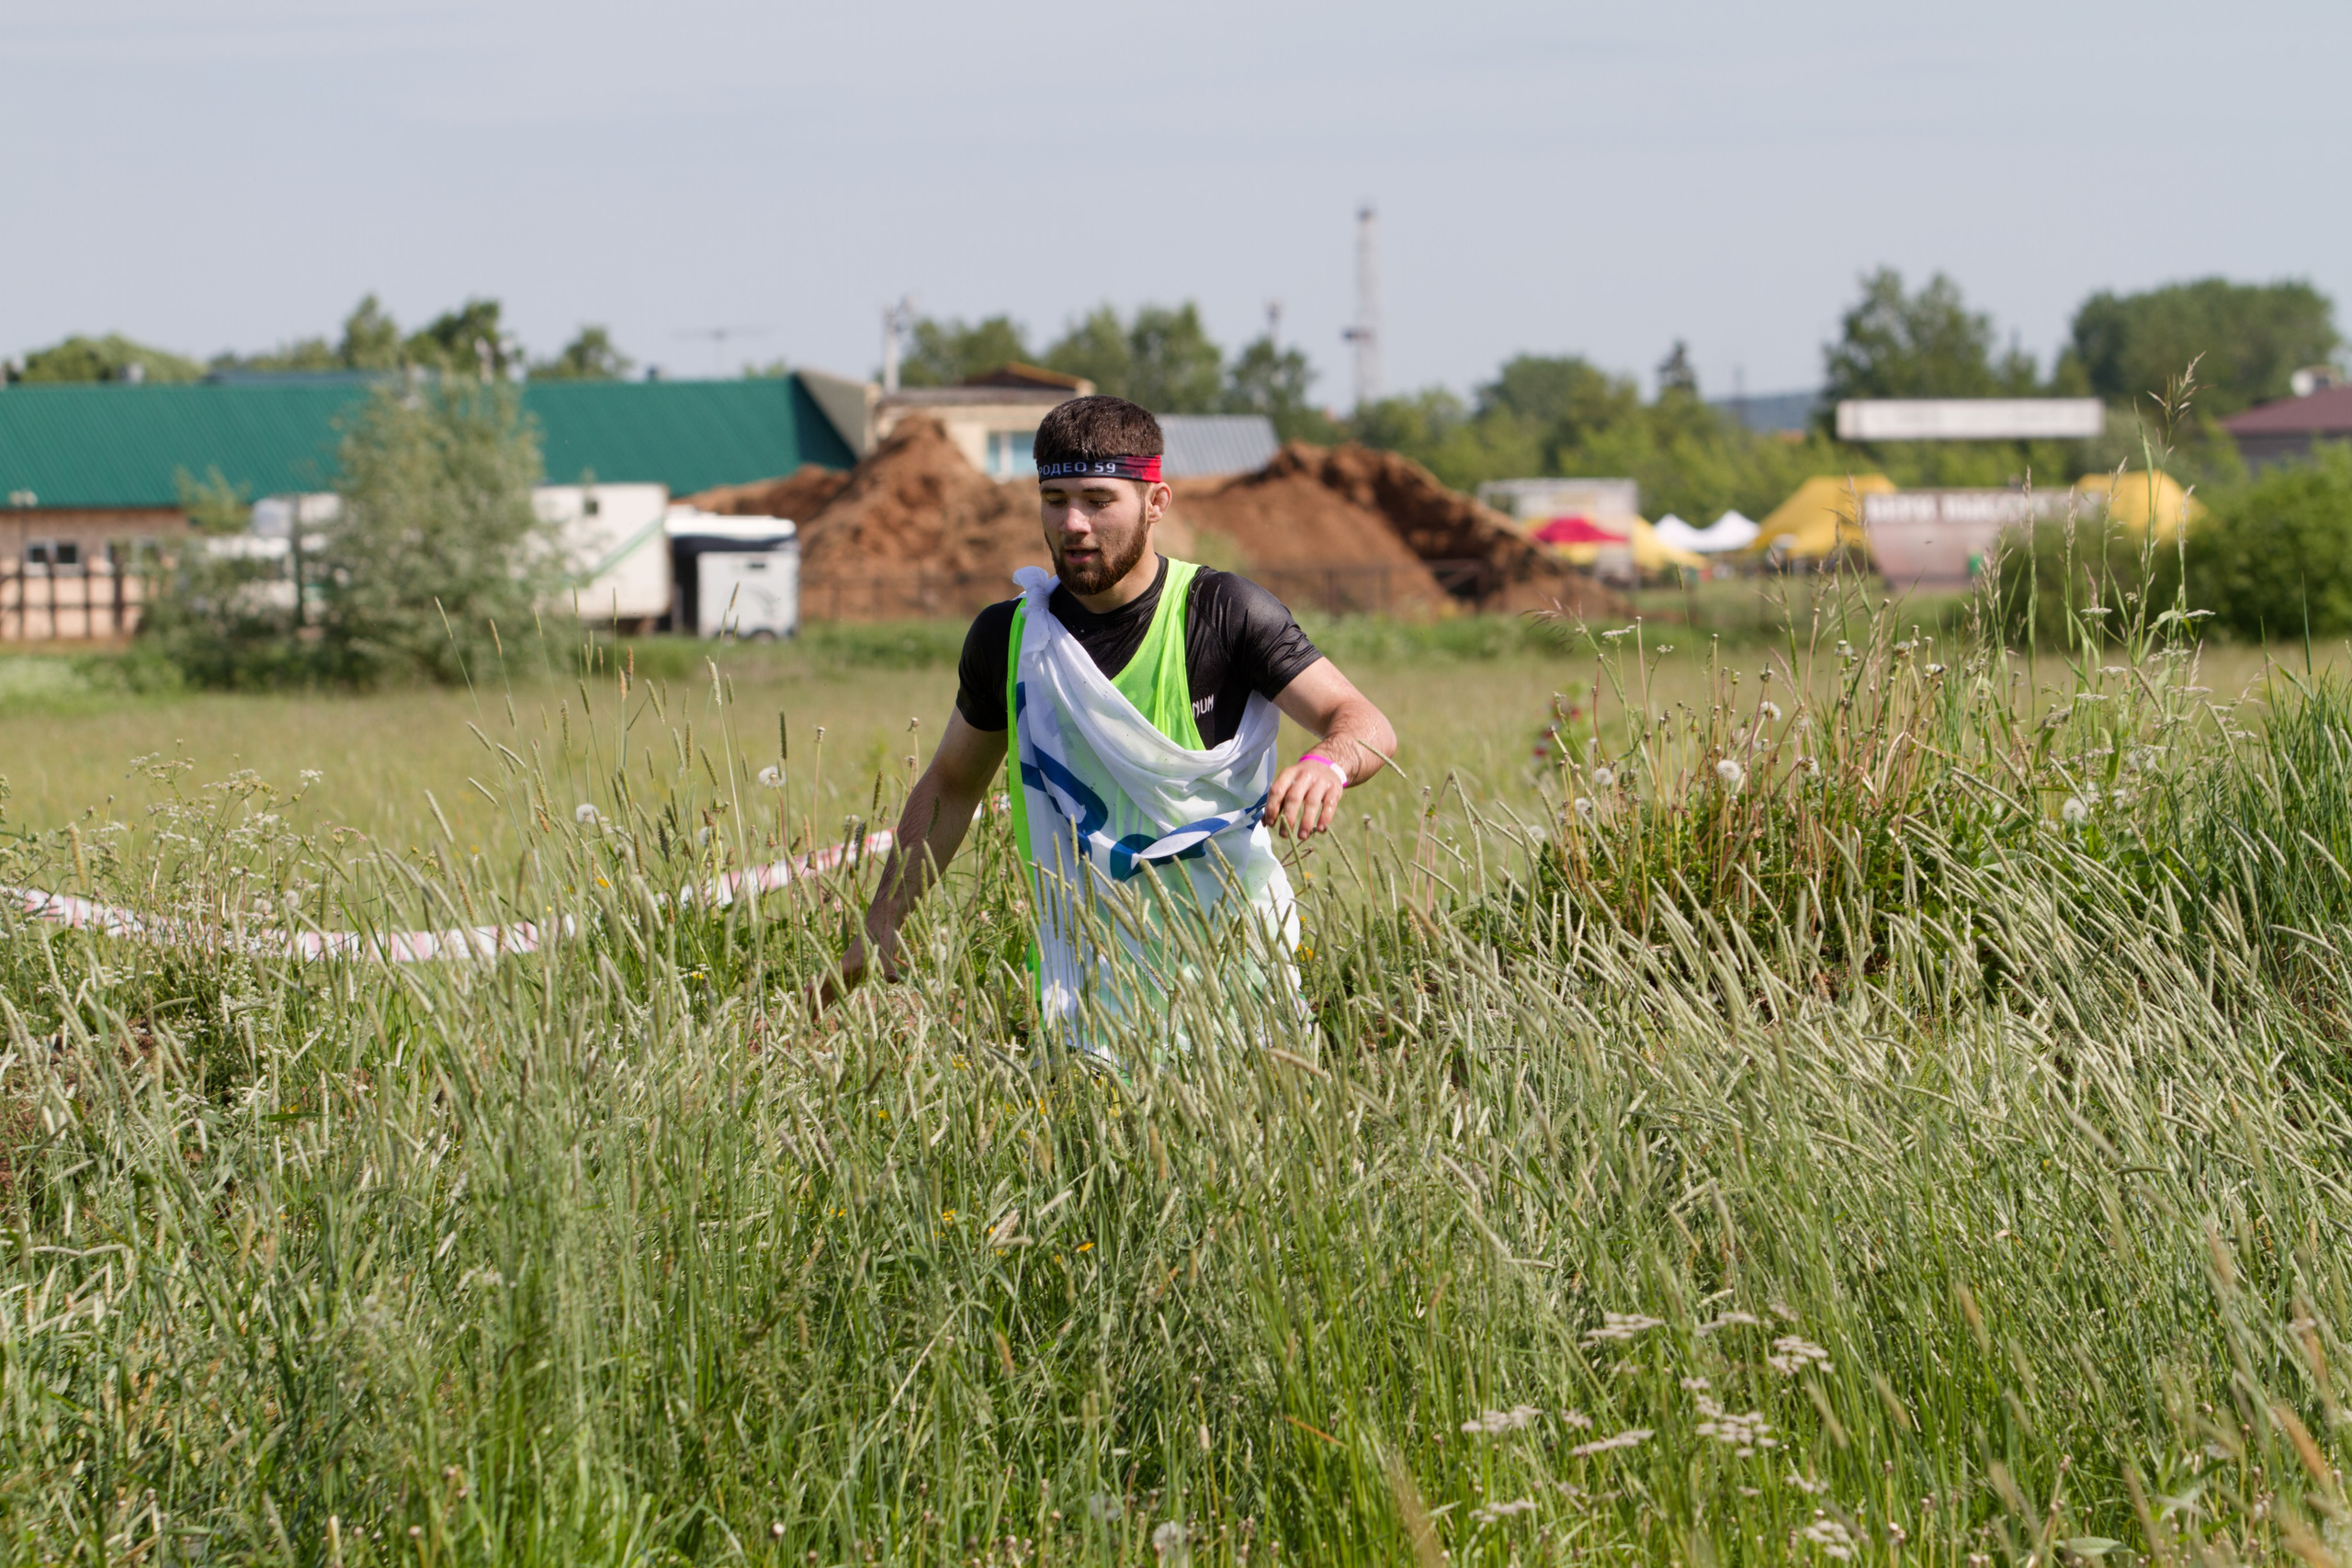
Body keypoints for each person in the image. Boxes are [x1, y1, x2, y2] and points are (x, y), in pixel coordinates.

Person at [833, 395, 1396, 1057]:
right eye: (1055, 500)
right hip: (1082, 998)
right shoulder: (1009, 638)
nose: (1073, 523)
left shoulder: (1222, 611)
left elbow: (1363, 721)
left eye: (1099, 500)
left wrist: (1328, 762)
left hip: (1240, 990)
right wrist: (882, 922)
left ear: (1155, 502)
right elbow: (952, 786)